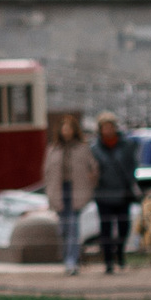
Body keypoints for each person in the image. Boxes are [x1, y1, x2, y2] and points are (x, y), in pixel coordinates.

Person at [42, 109, 97, 276]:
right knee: (63, 228)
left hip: (76, 191)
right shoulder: (53, 149)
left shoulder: (82, 148)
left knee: (73, 226)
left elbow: (93, 169)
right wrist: (49, 193)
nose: (66, 131)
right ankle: (67, 256)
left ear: (74, 130)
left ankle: (71, 261)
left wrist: (89, 184)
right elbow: (47, 172)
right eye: (64, 128)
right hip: (59, 192)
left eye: (69, 128)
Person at [90, 114, 139, 276]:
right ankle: (108, 262)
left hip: (123, 192)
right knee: (106, 229)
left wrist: (131, 182)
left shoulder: (126, 145)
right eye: (104, 127)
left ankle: (120, 251)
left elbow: (133, 166)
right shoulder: (94, 148)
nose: (108, 130)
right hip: (103, 193)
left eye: (110, 126)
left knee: (124, 226)